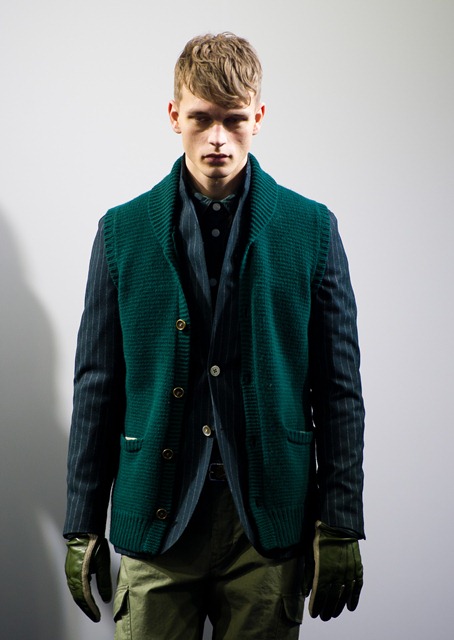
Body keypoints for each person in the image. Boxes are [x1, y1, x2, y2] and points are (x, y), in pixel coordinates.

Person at [63, 32, 365, 640]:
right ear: (174, 116)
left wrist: (339, 522)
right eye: (201, 118)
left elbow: (338, 390)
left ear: (259, 117)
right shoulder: (121, 232)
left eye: (234, 119)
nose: (218, 138)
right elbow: (98, 387)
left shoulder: (311, 229)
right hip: (155, 516)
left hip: (269, 521)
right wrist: (81, 521)